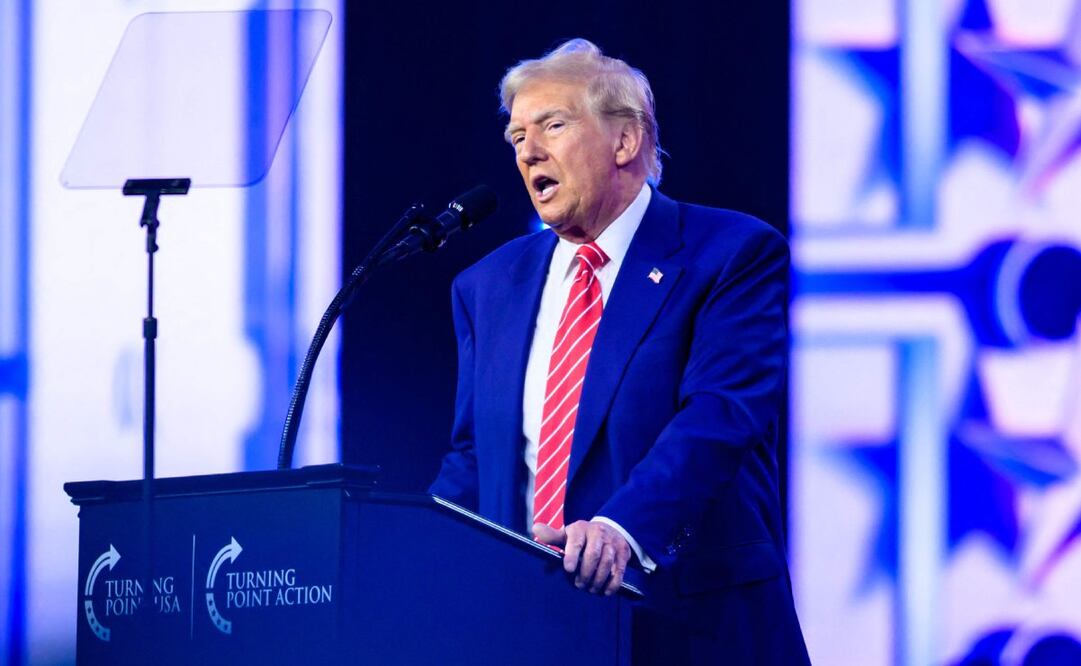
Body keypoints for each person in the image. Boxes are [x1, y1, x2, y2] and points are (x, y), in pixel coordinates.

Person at [430, 38, 810, 664]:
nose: (529, 152)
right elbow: (475, 456)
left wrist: (619, 530)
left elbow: (719, 417)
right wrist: (407, 550)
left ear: (626, 141)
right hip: (532, 631)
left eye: (552, 125)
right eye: (517, 136)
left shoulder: (730, 253)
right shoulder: (486, 286)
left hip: (690, 624)